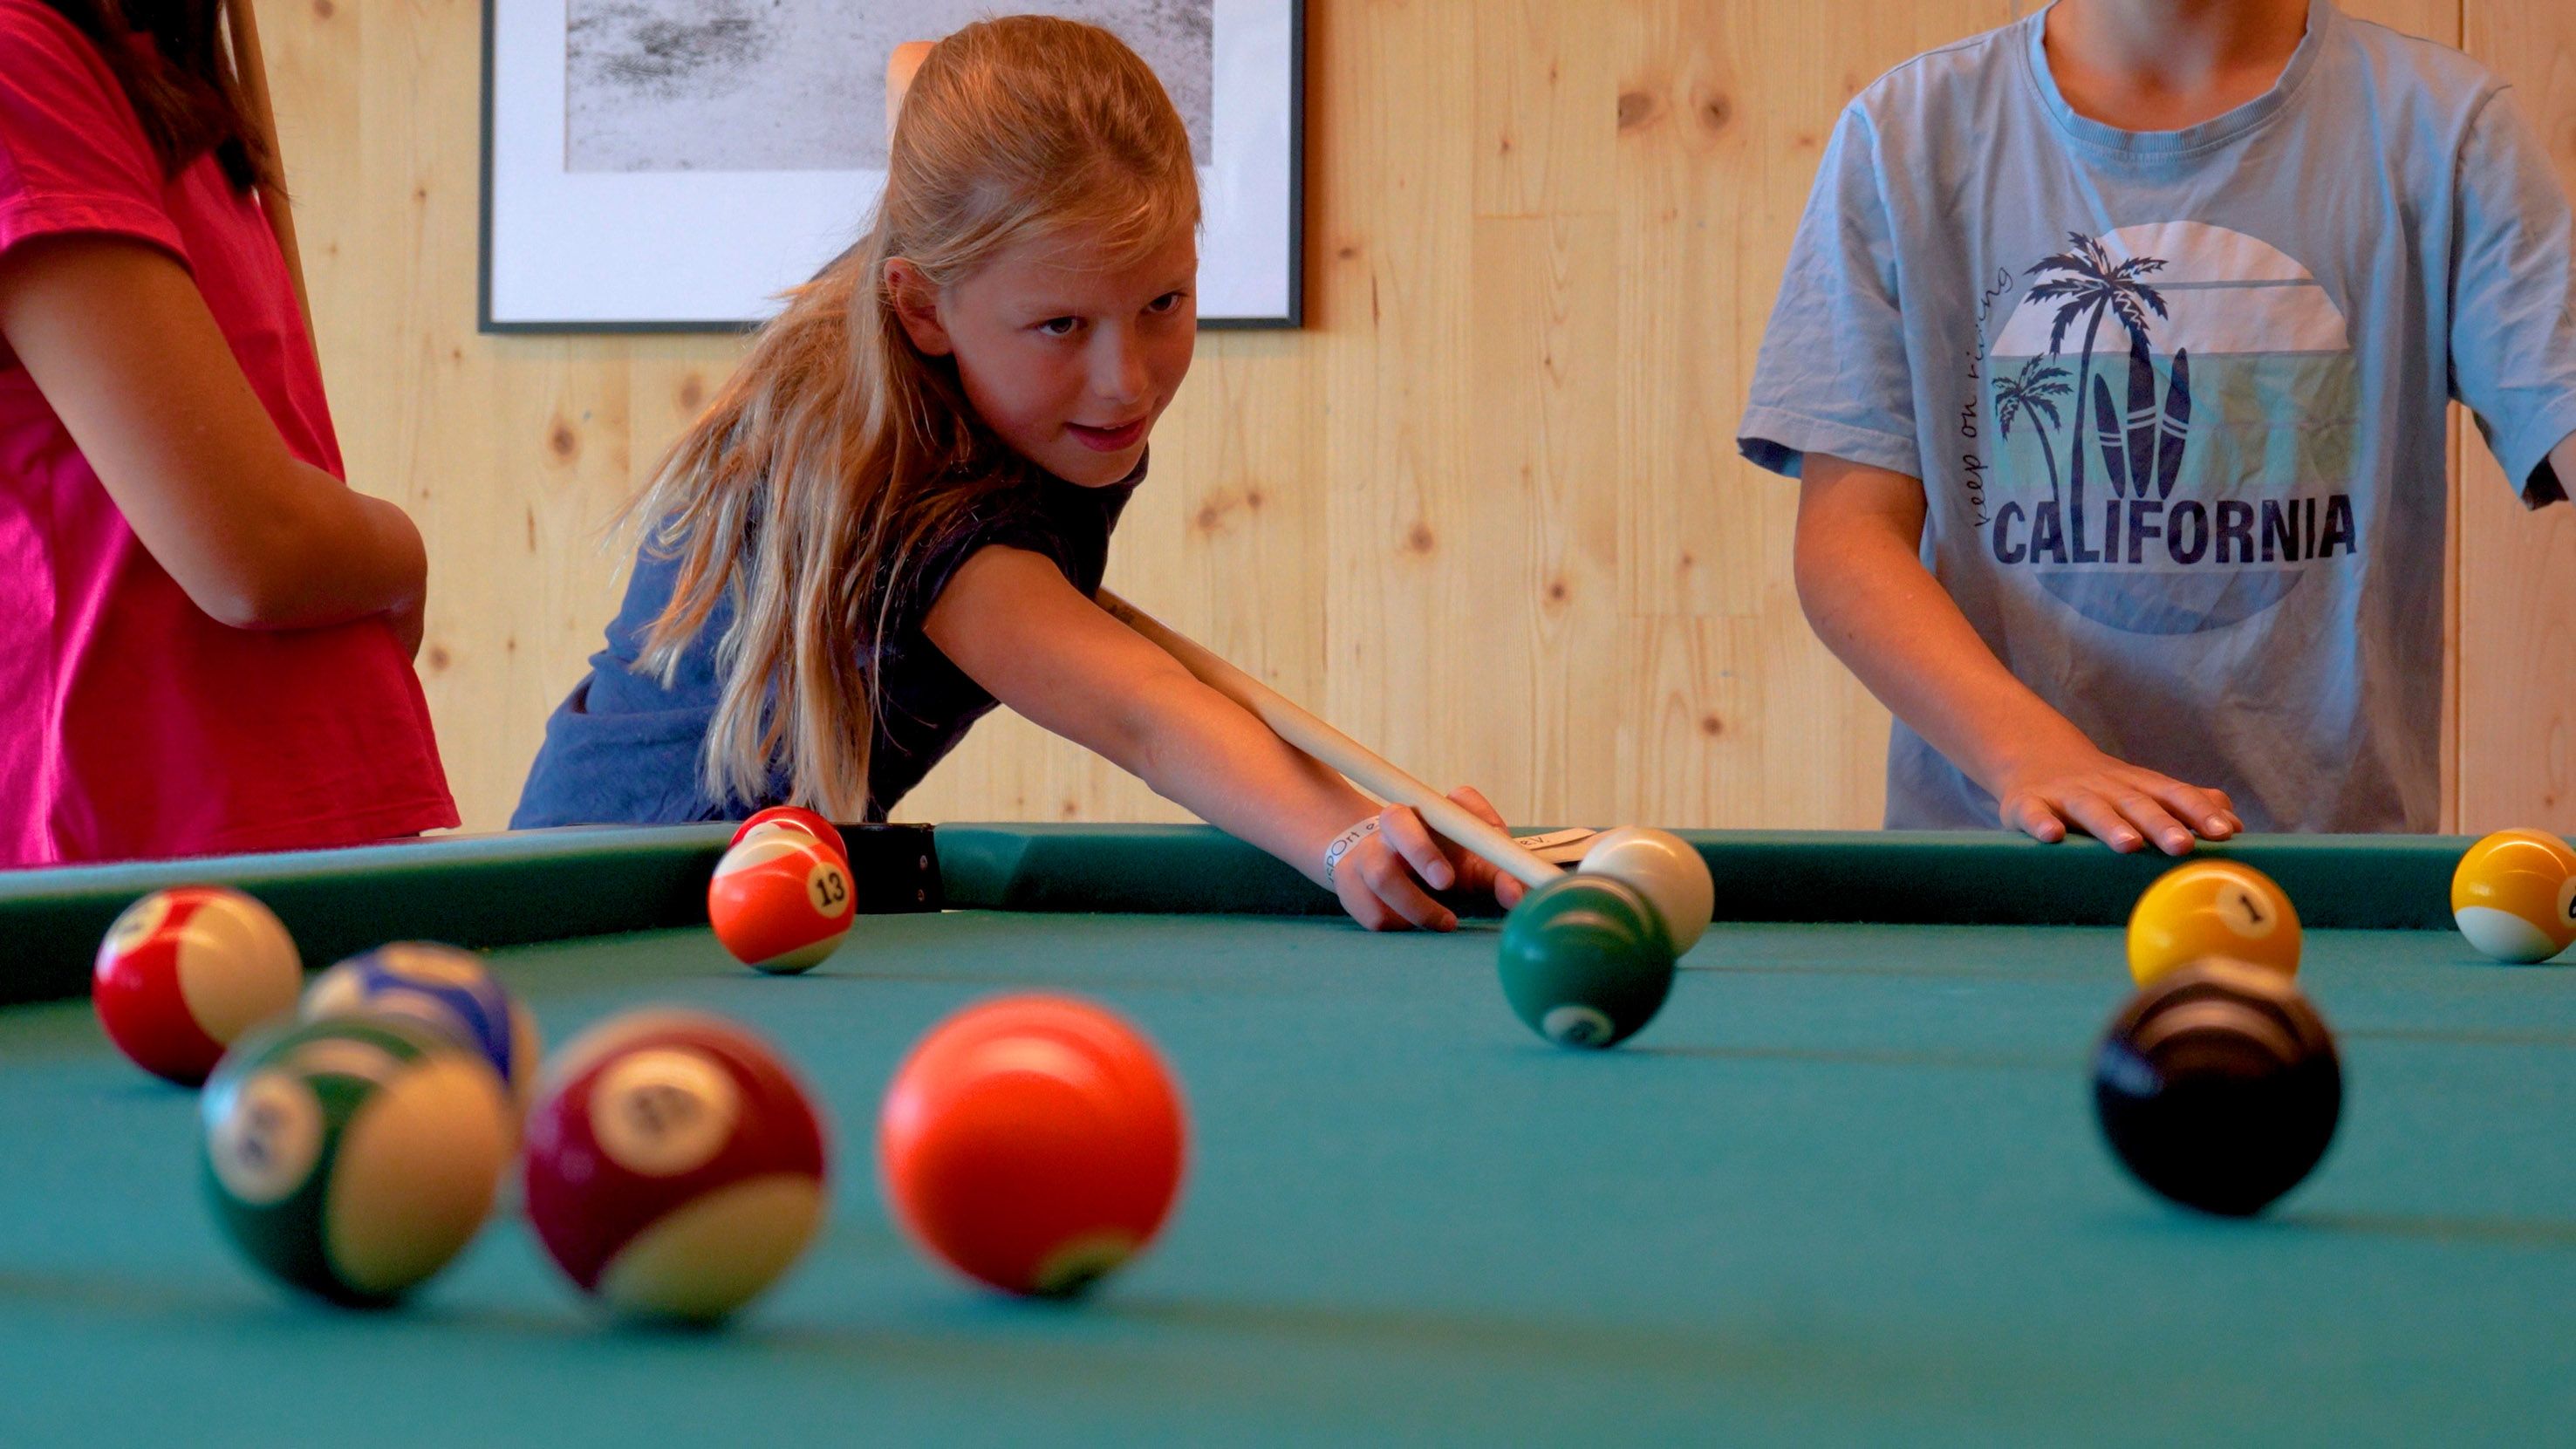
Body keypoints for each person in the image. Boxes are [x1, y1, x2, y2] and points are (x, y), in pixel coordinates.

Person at [516, 17, 1517, 931]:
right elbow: (1148, 714)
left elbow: (917, 86)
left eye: (1163, 301)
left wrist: (1404, 826)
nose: (1124, 381)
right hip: (633, 898)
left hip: (754, 891)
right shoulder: (918, 514)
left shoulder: (923, 277)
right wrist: (1356, 836)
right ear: (920, 310)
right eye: (1060, 325)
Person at [1740, 0, 2576, 852]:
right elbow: (1847, 542)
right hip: (1999, 873)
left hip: (2328, 882)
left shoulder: (2444, 127)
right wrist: (2032, 754)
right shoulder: (1902, 136)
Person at [0, 0, 454, 866]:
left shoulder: (165, 86)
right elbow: (255, 551)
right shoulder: (18, 61)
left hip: (300, 811)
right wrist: (404, 557)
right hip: (134, 842)